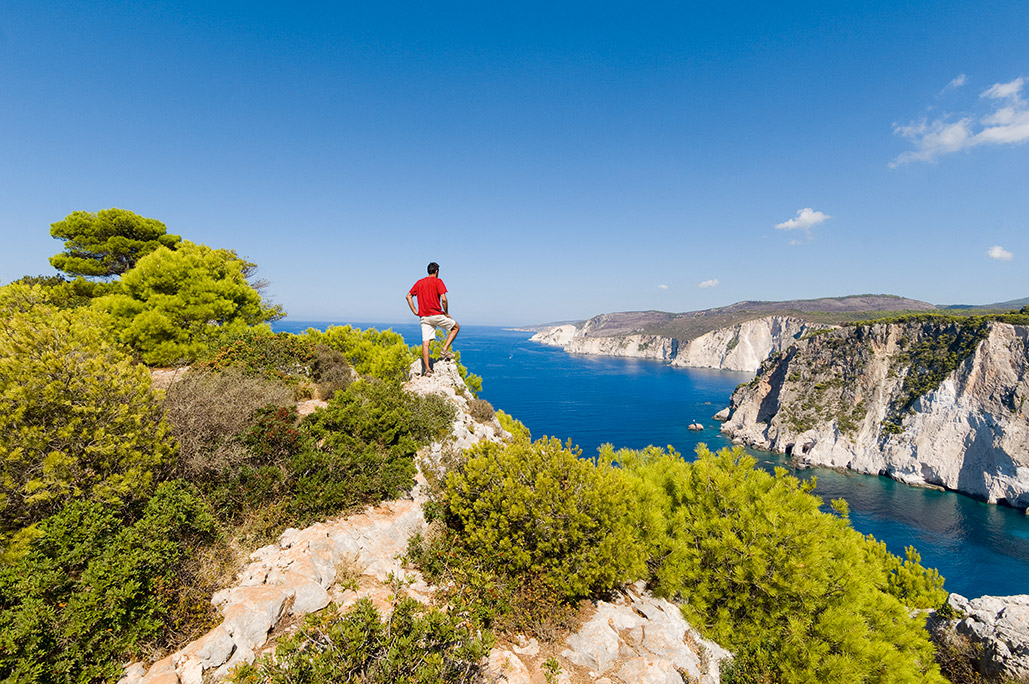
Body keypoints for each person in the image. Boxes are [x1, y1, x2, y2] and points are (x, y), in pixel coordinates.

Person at [406, 261, 460, 376]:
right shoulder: (438, 281)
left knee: (426, 343)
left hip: (424, 317)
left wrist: (415, 311)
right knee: (455, 327)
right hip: (436, 315)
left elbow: (408, 296)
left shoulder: (419, 283)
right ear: (436, 271)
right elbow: (444, 299)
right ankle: (444, 350)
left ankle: (428, 369)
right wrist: (446, 313)